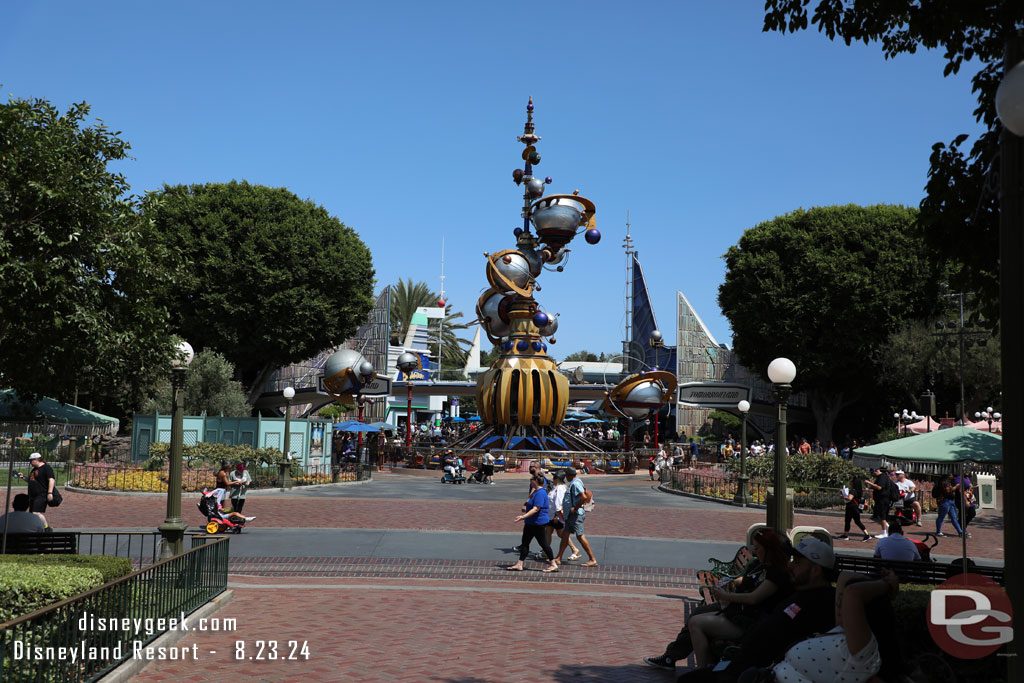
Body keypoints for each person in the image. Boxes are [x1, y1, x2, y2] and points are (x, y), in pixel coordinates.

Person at [678, 537, 838, 683]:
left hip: (756, 673)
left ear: (816, 570)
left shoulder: (821, 603)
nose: (790, 566)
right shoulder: (798, 594)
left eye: (797, 562)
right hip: (739, 665)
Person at [643, 528, 792, 671]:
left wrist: (726, 596)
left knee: (696, 622)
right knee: (698, 613)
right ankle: (675, 658)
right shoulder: (760, 564)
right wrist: (731, 583)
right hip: (739, 611)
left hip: (751, 623)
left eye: (758, 548)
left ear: (770, 551)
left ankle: (701, 671)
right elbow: (746, 582)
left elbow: (753, 598)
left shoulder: (776, 574)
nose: (754, 551)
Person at [760, 570, 897, 683]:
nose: (840, 605)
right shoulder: (851, 647)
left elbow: (849, 586)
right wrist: (886, 583)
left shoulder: (853, 648)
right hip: (768, 674)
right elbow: (849, 586)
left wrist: (886, 584)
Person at [506, 474, 559, 573]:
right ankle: (519, 564)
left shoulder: (540, 493)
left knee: (543, 543)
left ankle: (553, 564)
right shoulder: (536, 492)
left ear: (535, 481)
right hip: (530, 522)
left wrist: (523, 517)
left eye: (531, 480)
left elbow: (536, 509)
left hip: (538, 523)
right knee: (525, 543)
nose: (530, 482)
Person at [554, 467, 597, 567]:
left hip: (575, 515)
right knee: (565, 535)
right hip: (570, 515)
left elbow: (583, 497)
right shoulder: (574, 482)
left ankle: (592, 559)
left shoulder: (575, 483)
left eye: (566, 476)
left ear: (570, 475)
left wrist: (575, 508)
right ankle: (559, 557)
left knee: (580, 536)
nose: (565, 478)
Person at [538, 470, 580, 561]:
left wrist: (556, 516)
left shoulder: (560, 489)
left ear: (558, 479)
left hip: (555, 516)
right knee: (548, 533)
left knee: (562, 534)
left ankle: (574, 549)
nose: (553, 479)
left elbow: (559, 503)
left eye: (554, 477)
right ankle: (546, 552)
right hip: (551, 515)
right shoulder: (556, 487)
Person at [25, 453, 56, 528]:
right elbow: (31, 480)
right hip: (32, 495)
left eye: (31, 461)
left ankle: (46, 527)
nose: (30, 463)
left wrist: (49, 493)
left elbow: (51, 480)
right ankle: (35, 528)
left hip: (41, 494)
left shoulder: (46, 468)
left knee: (36, 512)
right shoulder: (34, 470)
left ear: (36, 459)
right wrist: (22, 477)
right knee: (32, 513)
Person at [838, 474, 871, 542]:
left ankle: (866, 535)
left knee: (851, 521)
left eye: (851, 481)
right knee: (854, 521)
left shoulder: (853, 490)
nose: (850, 482)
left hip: (851, 508)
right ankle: (846, 535)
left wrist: (842, 497)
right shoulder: (858, 490)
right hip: (855, 508)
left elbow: (849, 498)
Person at [864, 466, 892, 538]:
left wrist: (869, 483)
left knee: (882, 516)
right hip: (880, 499)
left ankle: (884, 532)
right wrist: (869, 486)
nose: (872, 475)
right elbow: (876, 486)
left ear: (876, 471)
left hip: (883, 499)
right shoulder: (880, 478)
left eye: (872, 473)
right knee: (880, 515)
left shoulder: (882, 477)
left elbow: (879, 487)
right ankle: (887, 527)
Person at [934, 473, 964, 537]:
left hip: (950, 501)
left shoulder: (948, 482)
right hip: (945, 501)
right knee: (941, 517)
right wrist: (956, 487)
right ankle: (938, 531)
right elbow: (948, 491)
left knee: (954, 517)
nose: (952, 476)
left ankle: (960, 531)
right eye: (950, 475)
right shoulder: (943, 482)